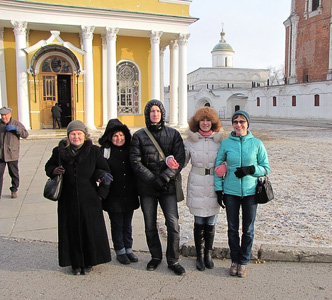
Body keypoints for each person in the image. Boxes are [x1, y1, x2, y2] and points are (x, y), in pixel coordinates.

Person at [45, 120, 113, 275]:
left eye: (79, 134)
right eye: (73, 134)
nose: (76, 137)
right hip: (67, 200)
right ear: (68, 136)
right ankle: (75, 263)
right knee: (71, 232)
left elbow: (104, 170)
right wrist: (54, 170)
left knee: (89, 231)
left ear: (84, 135)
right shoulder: (59, 151)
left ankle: (89, 261)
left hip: (89, 199)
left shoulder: (94, 151)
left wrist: (101, 195)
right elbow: (48, 167)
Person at [130, 99, 186, 276]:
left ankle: (173, 259)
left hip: (168, 187)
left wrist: (163, 178)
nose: (155, 114)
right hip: (147, 188)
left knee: (173, 224)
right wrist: (152, 179)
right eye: (152, 111)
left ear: (162, 114)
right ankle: (155, 256)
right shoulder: (139, 136)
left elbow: (179, 160)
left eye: (158, 111)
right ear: (147, 114)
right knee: (149, 224)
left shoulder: (173, 134)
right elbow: (135, 161)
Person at [214, 110, 270, 278]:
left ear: (248, 124)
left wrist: (251, 169)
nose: (238, 124)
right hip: (231, 192)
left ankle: (244, 261)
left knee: (248, 229)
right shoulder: (226, 144)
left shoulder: (257, 144)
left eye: (242, 121)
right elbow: (218, 169)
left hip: (250, 192)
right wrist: (219, 189)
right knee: (232, 229)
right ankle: (234, 260)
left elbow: (266, 167)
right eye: (235, 121)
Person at [184, 106, 223, 271]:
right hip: (197, 183)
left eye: (208, 120)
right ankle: (199, 256)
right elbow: (182, 161)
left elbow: (226, 158)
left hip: (214, 183)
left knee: (211, 222)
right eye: (202, 120)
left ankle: (208, 254)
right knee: (199, 221)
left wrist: (225, 166)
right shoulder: (190, 141)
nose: (205, 123)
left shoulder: (220, 141)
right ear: (197, 122)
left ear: (213, 122)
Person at [99, 119, 139, 265]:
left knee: (127, 224)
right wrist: (101, 175)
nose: (118, 138)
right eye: (115, 135)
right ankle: (120, 250)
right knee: (117, 224)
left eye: (121, 135)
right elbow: (98, 167)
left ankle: (129, 248)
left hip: (129, 193)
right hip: (113, 195)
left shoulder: (131, 150)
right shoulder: (105, 151)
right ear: (110, 137)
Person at [0, 106, 29, 199]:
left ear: (9, 114)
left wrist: (16, 129)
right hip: (1, 153)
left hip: (12, 153)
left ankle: (14, 189)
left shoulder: (16, 123)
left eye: (5, 115)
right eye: (2, 115)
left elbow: (25, 134)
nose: (4, 117)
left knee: (14, 173)